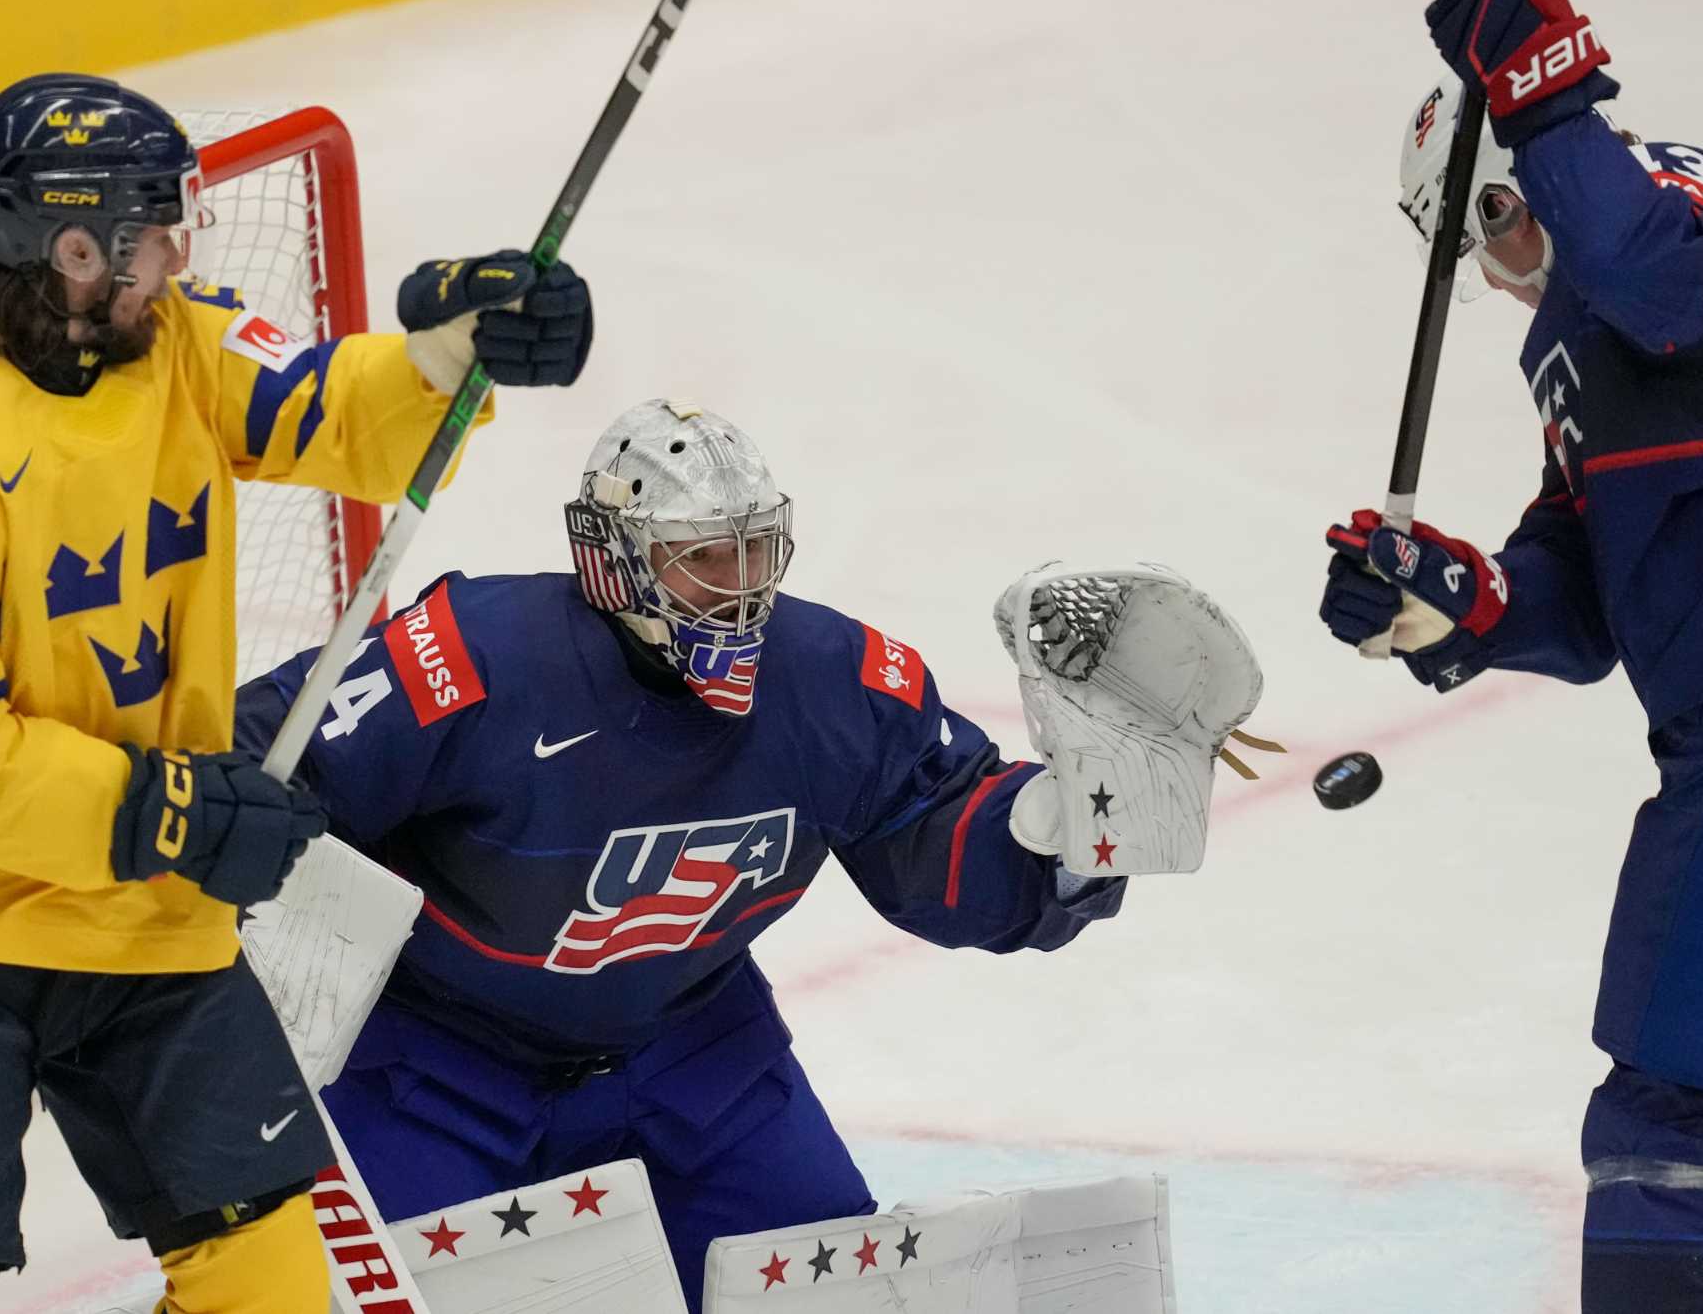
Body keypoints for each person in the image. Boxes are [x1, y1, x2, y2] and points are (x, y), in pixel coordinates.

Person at [0, 72, 593, 1314]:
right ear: (75, 250)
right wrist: (169, 814)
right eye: (153, 230)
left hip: (139, 908)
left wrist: (451, 350)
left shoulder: (180, 343)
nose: (181, 250)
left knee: (274, 1285)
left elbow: (327, 406)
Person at [230, 398, 1144, 1303]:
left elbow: (941, 840)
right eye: (704, 556)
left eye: (754, 548)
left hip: (693, 1054)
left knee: (828, 1297)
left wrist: (1061, 828)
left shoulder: (832, 676)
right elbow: (261, 762)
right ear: (613, 558)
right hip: (438, 1070)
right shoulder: (471, 655)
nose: (741, 585)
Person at [1321, 0, 1703, 1311]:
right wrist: (1452, 602)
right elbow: (1580, 602)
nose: (1506, 283)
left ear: (1517, 192)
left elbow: (1664, 276)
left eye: (1494, 241)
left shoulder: (1677, 194)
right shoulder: (1584, 345)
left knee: (1658, 1138)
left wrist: (1548, 98)